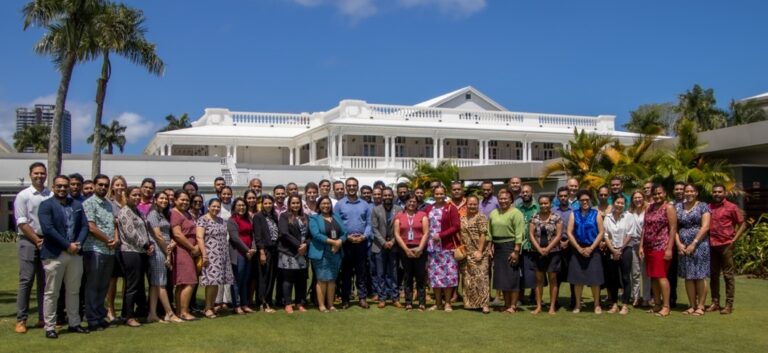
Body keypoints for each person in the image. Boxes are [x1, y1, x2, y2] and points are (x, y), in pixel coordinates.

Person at [38, 174, 89, 338]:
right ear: (53, 187)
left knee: (74, 291)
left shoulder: (77, 205)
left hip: (75, 254)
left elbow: (84, 227)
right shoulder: (46, 205)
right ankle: (50, 327)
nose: (62, 189)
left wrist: (77, 244)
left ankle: (74, 323)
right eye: (59, 186)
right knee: (52, 292)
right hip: (55, 254)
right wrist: (67, 245)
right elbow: (48, 229)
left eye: (65, 186)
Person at [13, 162, 51, 333]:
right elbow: (21, 222)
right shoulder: (23, 195)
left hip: (47, 241)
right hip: (28, 241)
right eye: (36, 173)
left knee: (45, 281)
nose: (39, 176)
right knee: (26, 280)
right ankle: (21, 320)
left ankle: (43, 319)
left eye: (42, 173)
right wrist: (36, 240)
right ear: (30, 175)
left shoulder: (50, 194)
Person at [82, 174, 118, 331]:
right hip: (95, 249)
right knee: (93, 285)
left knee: (103, 285)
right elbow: (91, 227)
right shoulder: (89, 203)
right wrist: (107, 240)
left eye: (106, 185)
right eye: (100, 185)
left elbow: (114, 224)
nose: (103, 187)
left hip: (109, 251)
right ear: (95, 185)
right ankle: (92, 319)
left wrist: (115, 239)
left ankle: (100, 315)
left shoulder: (109, 204)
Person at [116, 186, 155, 327]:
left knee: (138, 285)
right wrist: (145, 245)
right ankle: (128, 316)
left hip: (141, 252)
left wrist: (149, 244)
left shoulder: (138, 211)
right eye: (134, 195)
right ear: (127, 196)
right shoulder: (125, 211)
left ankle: (136, 313)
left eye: (139, 195)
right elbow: (130, 233)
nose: (137, 197)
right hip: (130, 251)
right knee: (132, 285)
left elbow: (145, 229)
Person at [707, 184, 746, 315]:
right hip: (712, 244)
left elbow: (742, 223)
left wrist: (735, 239)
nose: (717, 194)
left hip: (726, 244)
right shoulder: (709, 207)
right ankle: (715, 302)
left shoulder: (732, 207)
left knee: (728, 276)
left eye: (719, 192)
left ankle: (729, 304)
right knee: (713, 275)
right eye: (714, 192)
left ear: (724, 193)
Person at [334, 177, 373, 309]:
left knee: (361, 272)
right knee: (346, 273)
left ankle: (362, 298)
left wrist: (364, 236)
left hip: (362, 243)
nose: (351, 188)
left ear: (357, 187)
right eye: (349, 186)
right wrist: (347, 237)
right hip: (346, 243)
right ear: (346, 187)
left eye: (354, 185)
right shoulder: (340, 204)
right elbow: (336, 224)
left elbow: (369, 224)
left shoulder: (365, 204)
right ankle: (345, 299)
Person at [639, 184, 677, 317]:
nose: (657, 196)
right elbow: (645, 228)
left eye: (659, 193)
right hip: (649, 247)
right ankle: (657, 304)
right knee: (653, 277)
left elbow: (673, 229)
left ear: (665, 193)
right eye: (655, 194)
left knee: (661, 276)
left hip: (662, 247)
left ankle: (666, 306)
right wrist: (641, 246)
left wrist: (669, 249)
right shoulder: (649, 208)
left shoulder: (669, 208)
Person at [486, 189, 525, 313]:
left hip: (511, 246)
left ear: (511, 200)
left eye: (505, 198)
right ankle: (506, 304)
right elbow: (489, 232)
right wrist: (489, 247)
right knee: (502, 278)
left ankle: (513, 305)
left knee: (512, 277)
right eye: (501, 198)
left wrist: (516, 251)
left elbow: (520, 233)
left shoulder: (516, 213)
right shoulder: (493, 213)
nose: (503, 201)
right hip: (497, 248)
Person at [566, 190, 605, 314]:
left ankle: (597, 304)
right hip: (577, 249)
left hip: (593, 249)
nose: (584, 202)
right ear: (578, 201)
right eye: (582, 200)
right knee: (577, 280)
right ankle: (578, 305)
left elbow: (601, 232)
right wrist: (578, 248)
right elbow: (569, 232)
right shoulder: (574, 214)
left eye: (587, 200)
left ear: (590, 200)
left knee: (595, 279)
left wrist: (591, 248)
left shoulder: (596, 213)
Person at [146, 192, 182, 323]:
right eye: (161, 198)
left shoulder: (163, 214)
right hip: (158, 251)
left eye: (166, 199)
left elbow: (166, 233)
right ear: (155, 200)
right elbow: (158, 235)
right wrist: (167, 252)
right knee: (161, 283)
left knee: (156, 283)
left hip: (165, 249)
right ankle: (170, 313)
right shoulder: (153, 214)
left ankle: (152, 314)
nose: (164, 200)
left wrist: (171, 243)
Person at [675, 184, 711, 316]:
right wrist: (678, 244)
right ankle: (691, 305)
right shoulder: (678, 207)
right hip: (683, 246)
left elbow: (705, 226)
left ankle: (701, 306)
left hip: (700, 245)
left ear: (696, 193)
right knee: (688, 276)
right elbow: (674, 227)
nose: (688, 193)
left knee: (699, 275)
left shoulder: (703, 206)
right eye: (686, 191)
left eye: (691, 191)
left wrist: (694, 243)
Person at [424, 185, 460, 312]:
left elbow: (456, 226)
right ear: (433, 194)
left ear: (445, 194)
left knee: (448, 276)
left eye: (441, 194)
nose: (439, 196)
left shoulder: (451, 208)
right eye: (436, 194)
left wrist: (441, 235)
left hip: (447, 247)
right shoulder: (429, 208)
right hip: (432, 248)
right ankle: (438, 303)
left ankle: (448, 303)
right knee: (435, 277)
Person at [197, 198, 235, 319]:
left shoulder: (221, 221)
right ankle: (207, 308)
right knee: (211, 282)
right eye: (213, 206)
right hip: (210, 254)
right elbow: (199, 237)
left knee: (217, 282)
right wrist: (204, 254)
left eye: (218, 207)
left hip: (222, 255)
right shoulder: (203, 220)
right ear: (208, 207)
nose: (216, 209)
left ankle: (211, 306)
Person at [308, 196, 347, 312]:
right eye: (323, 203)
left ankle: (331, 305)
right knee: (322, 279)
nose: (326, 206)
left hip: (336, 253)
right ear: (319, 205)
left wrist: (339, 241)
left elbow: (345, 233)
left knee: (332, 280)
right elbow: (316, 234)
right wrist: (333, 242)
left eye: (328, 203)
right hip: (321, 252)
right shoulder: (314, 218)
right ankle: (322, 305)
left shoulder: (336, 217)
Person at [393, 194, 430, 311]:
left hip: (419, 249)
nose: (412, 203)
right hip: (405, 249)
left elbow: (426, 233)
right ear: (405, 203)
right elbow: (397, 234)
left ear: (417, 203)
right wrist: (406, 250)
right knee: (408, 276)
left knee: (420, 276)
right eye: (409, 201)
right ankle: (408, 302)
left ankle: (421, 302)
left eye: (414, 201)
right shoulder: (399, 216)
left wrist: (420, 248)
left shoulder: (422, 215)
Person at [603, 196, 638, 315]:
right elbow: (606, 235)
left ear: (625, 205)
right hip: (611, 250)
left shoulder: (629, 216)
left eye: (622, 203)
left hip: (625, 250)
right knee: (613, 278)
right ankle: (614, 304)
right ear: (613, 203)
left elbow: (630, 234)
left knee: (625, 278)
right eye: (617, 202)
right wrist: (613, 250)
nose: (619, 205)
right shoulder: (607, 217)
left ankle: (624, 305)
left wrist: (620, 249)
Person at [529, 195, 562, 315]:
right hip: (537, 253)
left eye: (546, 203)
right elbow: (531, 235)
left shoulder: (556, 217)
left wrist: (548, 248)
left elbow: (558, 235)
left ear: (550, 204)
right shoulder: (534, 217)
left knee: (553, 279)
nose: (543, 206)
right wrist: (539, 249)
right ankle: (538, 306)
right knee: (538, 280)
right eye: (541, 203)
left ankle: (552, 306)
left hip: (553, 252)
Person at [170, 190, 200, 321]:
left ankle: (180, 311)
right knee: (190, 281)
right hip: (182, 250)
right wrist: (192, 247)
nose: (185, 202)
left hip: (190, 250)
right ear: (175, 200)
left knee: (183, 282)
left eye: (187, 200)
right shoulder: (175, 213)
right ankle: (183, 311)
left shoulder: (186, 213)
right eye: (182, 199)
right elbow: (177, 234)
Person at [370, 187, 402, 308]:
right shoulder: (376, 210)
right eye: (385, 195)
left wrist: (393, 241)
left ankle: (395, 298)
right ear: (382, 197)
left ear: (393, 196)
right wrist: (384, 242)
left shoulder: (399, 210)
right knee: (380, 273)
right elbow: (374, 228)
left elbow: (401, 228)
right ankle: (382, 298)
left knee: (394, 273)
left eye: (389, 195)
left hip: (394, 246)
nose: (387, 197)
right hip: (379, 246)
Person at [278, 195, 310, 313]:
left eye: (298, 203)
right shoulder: (284, 216)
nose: (296, 205)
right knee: (288, 279)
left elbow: (309, 235)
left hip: (303, 253)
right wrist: (299, 246)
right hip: (289, 252)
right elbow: (284, 233)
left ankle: (299, 303)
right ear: (289, 204)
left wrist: (306, 244)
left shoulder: (305, 217)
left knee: (301, 279)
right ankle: (287, 303)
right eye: (293, 203)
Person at [459, 195, 490, 313]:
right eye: (470, 204)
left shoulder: (481, 217)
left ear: (478, 205)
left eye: (474, 204)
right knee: (468, 279)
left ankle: (484, 304)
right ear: (466, 205)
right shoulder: (462, 218)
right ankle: (470, 303)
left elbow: (483, 234)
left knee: (481, 278)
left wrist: (480, 250)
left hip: (479, 252)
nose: (472, 206)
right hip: (466, 253)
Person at [227, 198, 256, 315]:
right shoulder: (232, 220)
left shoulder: (248, 219)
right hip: (238, 253)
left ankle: (244, 304)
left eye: (243, 205)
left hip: (249, 254)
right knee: (236, 280)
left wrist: (253, 249)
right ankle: (236, 305)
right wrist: (247, 251)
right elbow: (235, 238)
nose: (242, 207)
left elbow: (252, 235)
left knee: (245, 280)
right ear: (234, 207)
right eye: (239, 205)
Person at [105, 175, 127, 324]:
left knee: (128, 280)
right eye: (117, 185)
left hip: (128, 246)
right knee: (112, 280)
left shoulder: (128, 203)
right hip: (115, 245)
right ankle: (110, 309)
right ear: (112, 187)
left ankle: (126, 309)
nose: (119, 187)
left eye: (122, 185)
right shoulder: (108, 203)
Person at [254, 195, 279, 312]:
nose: (268, 205)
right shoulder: (258, 217)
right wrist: (261, 252)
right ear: (262, 204)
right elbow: (258, 236)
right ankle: (263, 303)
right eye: (266, 203)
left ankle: (268, 300)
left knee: (271, 277)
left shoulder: (274, 216)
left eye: (270, 203)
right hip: (264, 250)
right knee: (263, 277)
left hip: (274, 250)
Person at [553, 186, 576, 310]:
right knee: (556, 275)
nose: (563, 198)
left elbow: (575, 229)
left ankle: (574, 300)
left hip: (570, 245)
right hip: (556, 246)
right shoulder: (553, 211)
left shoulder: (574, 211)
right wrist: (559, 242)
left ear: (568, 197)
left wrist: (567, 241)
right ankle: (554, 301)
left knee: (572, 273)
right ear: (558, 197)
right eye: (560, 196)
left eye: (565, 196)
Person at [517, 184, 539, 302]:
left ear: (532, 192)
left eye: (527, 192)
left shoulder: (538, 207)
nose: (525, 194)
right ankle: (520, 298)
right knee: (520, 273)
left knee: (535, 273)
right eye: (523, 192)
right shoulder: (518, 208)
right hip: (520, 245)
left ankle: (536, 297)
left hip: (535, 246)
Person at [628, 190, 649, 307]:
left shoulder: (648, 210)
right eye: (635, 198)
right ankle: (636, 296)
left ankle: (646, 298)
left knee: (645, 273)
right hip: (632, 243)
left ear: (644, 198)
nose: (637, 200)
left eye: (639, 197)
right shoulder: (630, 212)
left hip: (645, 244)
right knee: (635, 272)